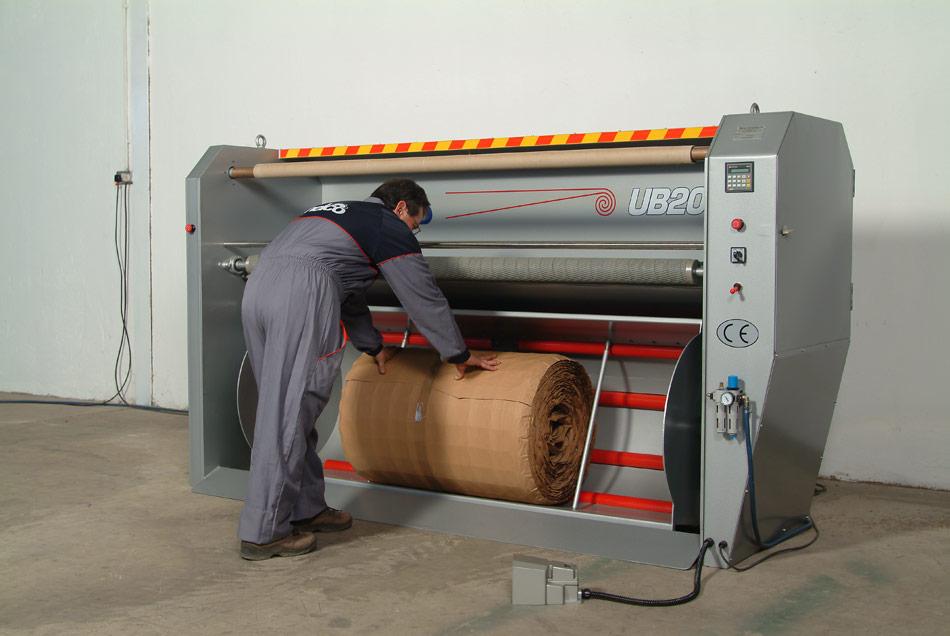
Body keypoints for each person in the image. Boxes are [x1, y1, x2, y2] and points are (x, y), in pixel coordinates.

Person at [238, 178, 499, 560]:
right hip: (300, 296)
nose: (414, 232)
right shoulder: (387, 225)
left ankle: (306, 509)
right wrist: (457, 352)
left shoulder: (337, 215)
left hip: (259, 289)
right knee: (288, 415)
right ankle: (264, 532)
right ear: (401, 208)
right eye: (416, 223)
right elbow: (422, 295)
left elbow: (349, 294)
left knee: (287, 412)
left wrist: (373, 346)